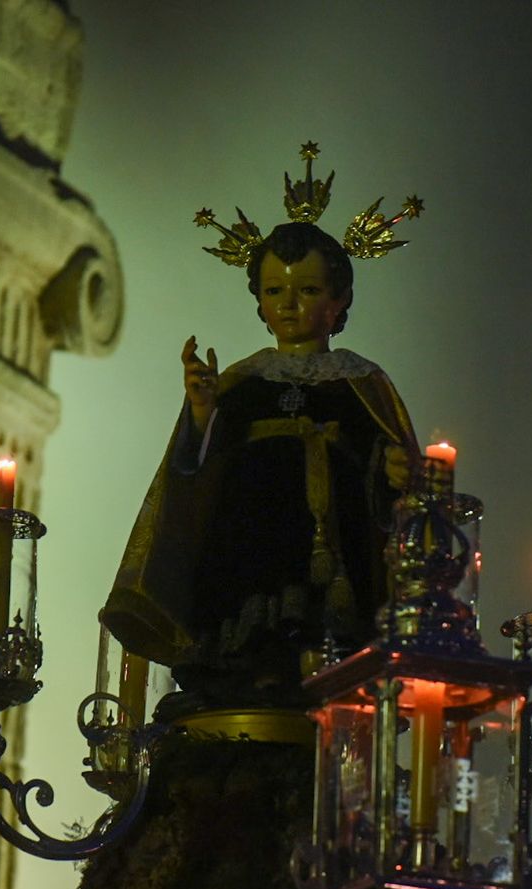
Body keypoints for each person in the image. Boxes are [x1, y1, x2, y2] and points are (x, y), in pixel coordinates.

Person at [103, 220, 418, 709]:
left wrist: (392, 474)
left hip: (330, 550)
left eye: (308, 289)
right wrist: (203, 414)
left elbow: (392, 476)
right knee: (246, 647)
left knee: (321, 643)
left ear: (338, 302)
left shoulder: (362, 383)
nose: (289, 304)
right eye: (275, 290)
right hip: (246, 541)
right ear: (260, 300)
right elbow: (190, 474)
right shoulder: (240, 382)